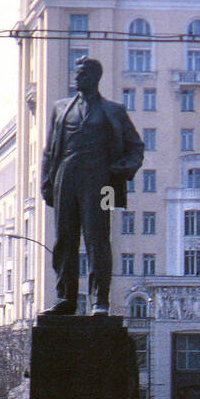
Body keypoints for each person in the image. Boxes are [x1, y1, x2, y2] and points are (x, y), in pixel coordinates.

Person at [40, 56, 144, 315]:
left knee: (98, 239)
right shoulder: (60, 109)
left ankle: (100, 301)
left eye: (82, 74)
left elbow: (136, 147)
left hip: (103, 184)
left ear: (95, 78)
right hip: (66, 177)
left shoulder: (114, 110)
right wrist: (46, 181)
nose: (77, 78)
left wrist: (121, 169)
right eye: (76, 73)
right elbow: (49, 151)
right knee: (65, 240)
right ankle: (67, 298)